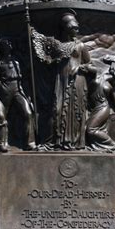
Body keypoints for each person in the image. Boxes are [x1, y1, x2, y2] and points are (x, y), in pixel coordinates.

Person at [32, 10, 95, 149]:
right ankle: (56, 141)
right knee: (57, 109)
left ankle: (74, 142)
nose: (76, 30)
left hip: (77, 81)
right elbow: (47, 59)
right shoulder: (57, 46)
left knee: (76, 111)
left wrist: (83, 68)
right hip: (60, 80)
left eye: (77, 28)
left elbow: (91, 65)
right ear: (65, 28)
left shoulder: (80, 46)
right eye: (73, 28)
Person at [0, 39, 36, 151]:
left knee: (28, 113)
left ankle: (30, 142)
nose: (9, 45)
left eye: (10, 44)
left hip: (18, 88)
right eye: (6, 44)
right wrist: (1, 86)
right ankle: (3, 143)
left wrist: (27, 95)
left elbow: (25, 76)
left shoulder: (17, 62)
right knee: (3, 116)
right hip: (6, 88)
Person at [86, 71, 115, 153]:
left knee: (91, 129)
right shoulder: (99, 77)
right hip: (93, 108)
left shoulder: (110, 86)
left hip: (103, 108)